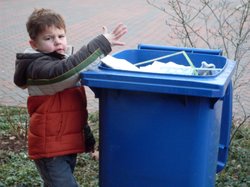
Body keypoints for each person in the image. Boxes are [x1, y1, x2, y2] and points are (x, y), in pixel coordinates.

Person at [13, 8, 127, 187]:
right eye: (48, 38)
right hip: (49, 149)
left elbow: (75, 110)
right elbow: (65, 71)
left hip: (65, 145)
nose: (57, 42)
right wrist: (100, 44)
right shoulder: (38, 68)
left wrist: (88, 142)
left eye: (60, 36)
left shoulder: (61, 63)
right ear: (34, 44)